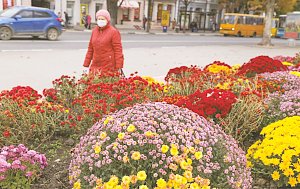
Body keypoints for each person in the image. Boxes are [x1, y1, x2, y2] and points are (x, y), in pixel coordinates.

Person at [83, 9, 124, 75]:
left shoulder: (113, 32)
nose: (100, 21)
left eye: (102, 19)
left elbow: (118, 50)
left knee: (106, 84)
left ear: (107, 20)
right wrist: (86, 64)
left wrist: (119, 66)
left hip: (109, 66)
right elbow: (90, 49)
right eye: (99, 19)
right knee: (93, 83)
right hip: (95, 64)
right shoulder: (94, 31)